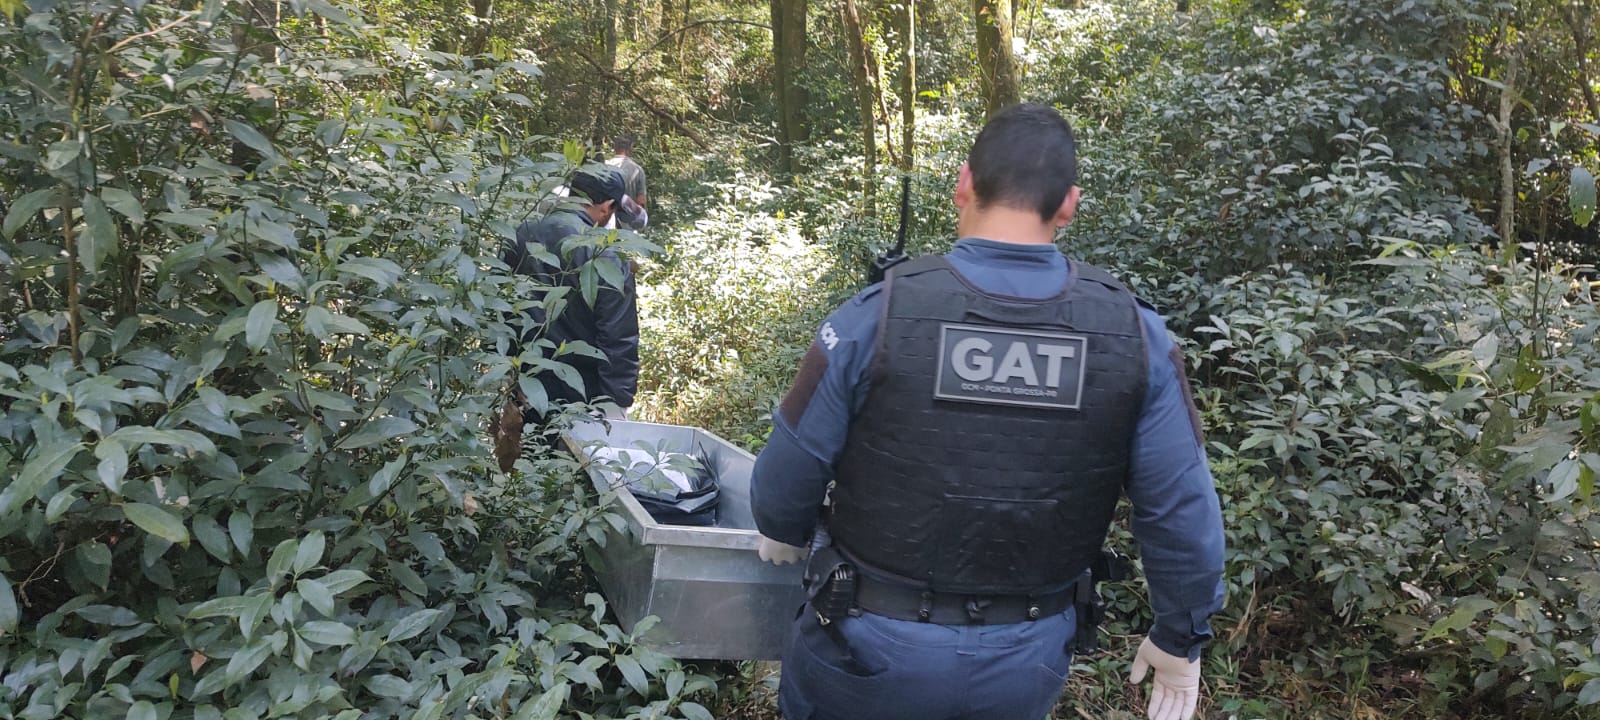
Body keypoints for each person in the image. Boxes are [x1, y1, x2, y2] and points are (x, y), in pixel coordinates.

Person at [749, 103, 1226, 720]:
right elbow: (1181, 509)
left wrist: (784, 526)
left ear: (964, 183)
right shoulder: (1136, 337)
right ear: (1068, 205)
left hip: (863, 641)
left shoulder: (879, 316)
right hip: (1026, 656)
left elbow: (787, 476)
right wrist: (1179, 636)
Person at [501, 165, 643, 423]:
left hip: (524, 387)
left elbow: (501, 306)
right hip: (581, 396)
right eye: (611, 211)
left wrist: (504, 374)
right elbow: (618, 335)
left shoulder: (521, 234)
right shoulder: (605, 253)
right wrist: (616, 403)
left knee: (526, 459)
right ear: (606, 206)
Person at [605, 134, 649, 231]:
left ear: (615, 147)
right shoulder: (637, 170)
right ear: (630, 149)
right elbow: (641, 201)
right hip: (627, 226)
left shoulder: (604, 166)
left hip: (605, 223)